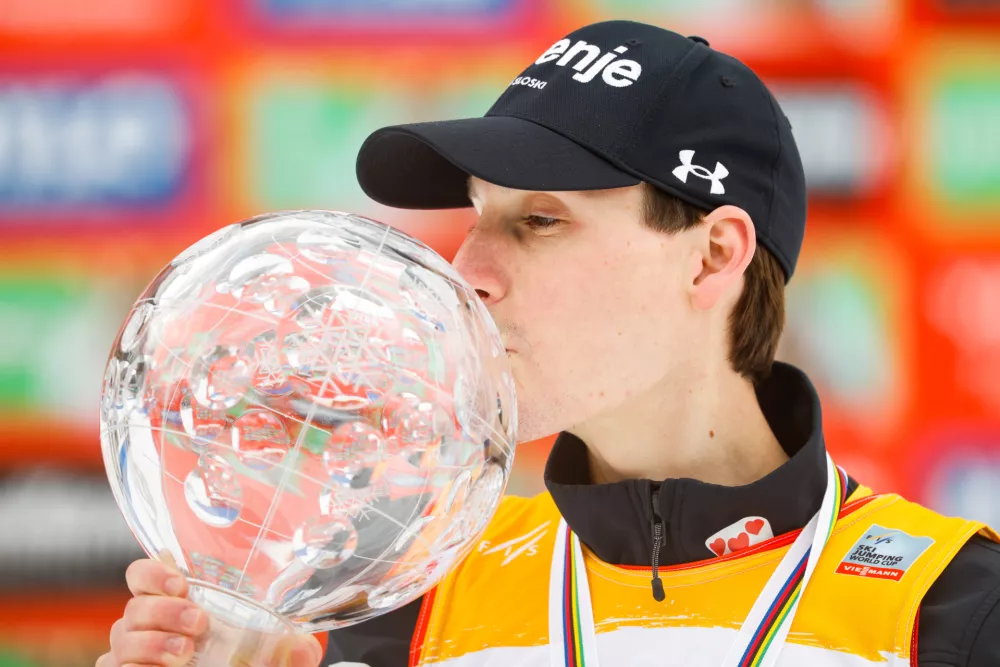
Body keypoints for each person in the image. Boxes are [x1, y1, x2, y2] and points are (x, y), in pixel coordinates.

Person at [98, 20, 1000, 667]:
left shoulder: (952, 607)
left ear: (713, 255)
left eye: (538, 219)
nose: (469, 270)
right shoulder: (388, 609)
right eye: (477, 214)